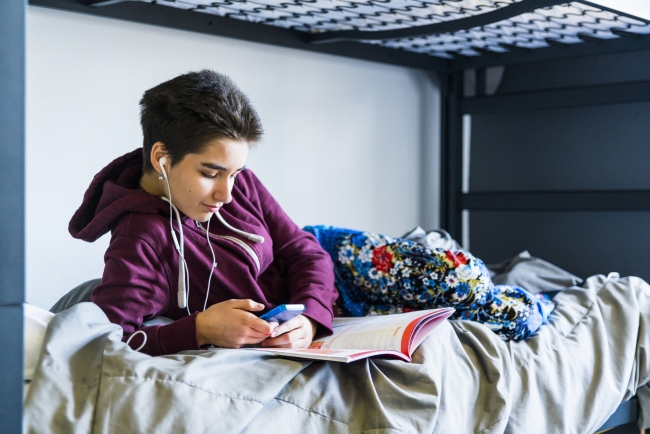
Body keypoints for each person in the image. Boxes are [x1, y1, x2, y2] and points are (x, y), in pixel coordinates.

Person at [69, 70, 339, 356]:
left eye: (235, 173)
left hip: (313, 305)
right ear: (161, 158)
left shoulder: (240, 185)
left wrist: (309, 319)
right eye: (210, 173)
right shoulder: (141, 238)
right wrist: (200, 329)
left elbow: (305, 251)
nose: (227, 195)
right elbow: (107, 343)